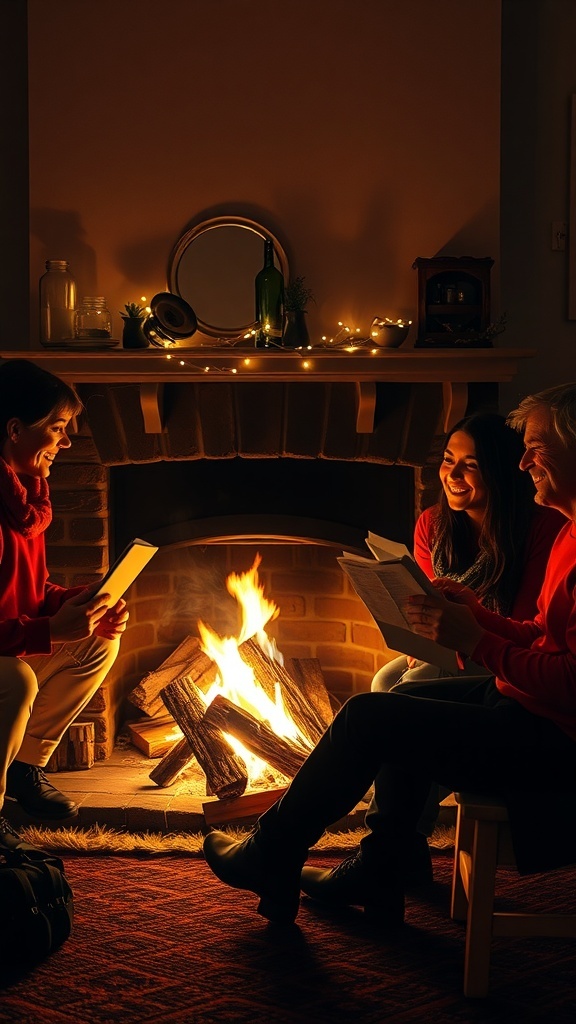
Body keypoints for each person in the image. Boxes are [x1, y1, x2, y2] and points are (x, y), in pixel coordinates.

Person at [202, 381, 576, 929]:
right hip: (529, 709)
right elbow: (544, 634)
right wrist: (477, 616)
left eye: (537, 448)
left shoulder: (558, 534)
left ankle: (274, 853)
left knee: (371, 716)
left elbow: (569, 681)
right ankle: (382, 862)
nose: (523, 462)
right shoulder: (569, 532)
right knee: (401, 699)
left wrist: (474, 640)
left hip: (556, 742)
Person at [369, 413, 565, 846]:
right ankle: (402, 842)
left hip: (498, 655)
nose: (452, 474)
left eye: (470, 464)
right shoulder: (432, 525)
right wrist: (416, 634)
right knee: (386, 678)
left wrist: (465, 623)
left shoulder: (540, 528)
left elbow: (532, 629)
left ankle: (399, 842)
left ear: (497, 468)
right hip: (453, 645)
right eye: (447, 459)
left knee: (399, 696)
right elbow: (420, 604)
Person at [0, 359, 128, 849]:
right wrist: (50, 632)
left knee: (97, 643)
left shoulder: (25, 499)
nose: (67, 442)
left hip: (9, 637)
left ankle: (24, 769)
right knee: (16, 677)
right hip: (3, 655)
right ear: (15, 429)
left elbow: (29, 592)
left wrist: (82, 603)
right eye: (56, 429)